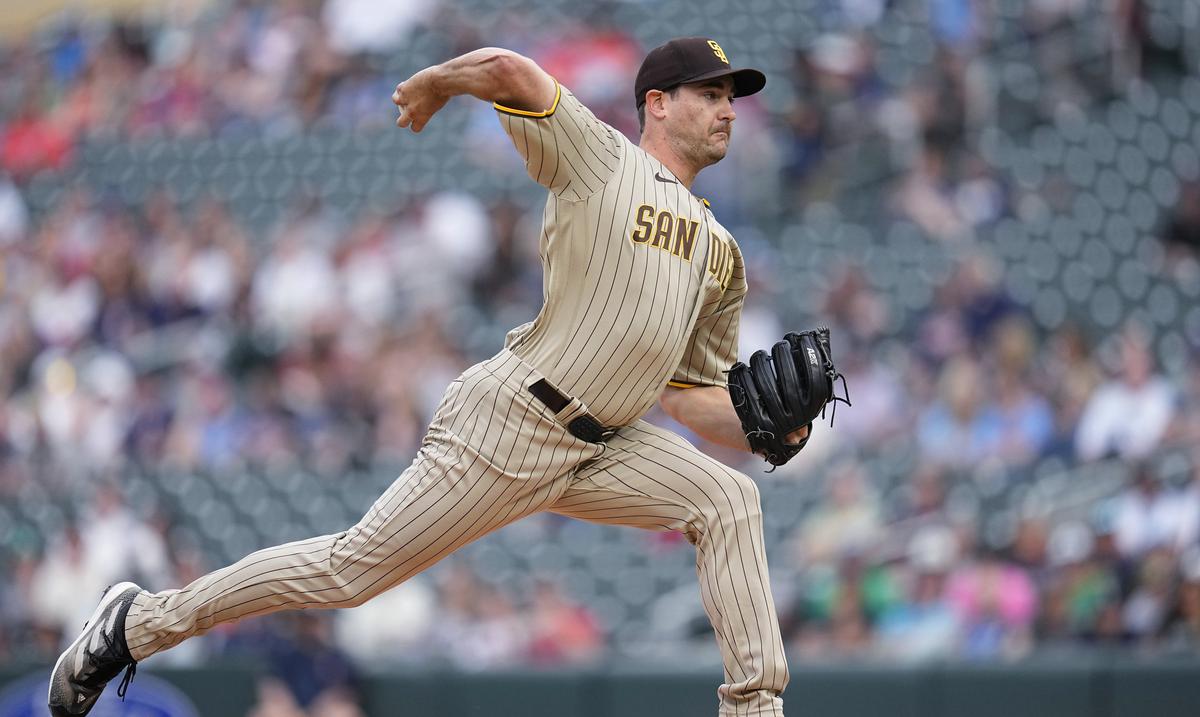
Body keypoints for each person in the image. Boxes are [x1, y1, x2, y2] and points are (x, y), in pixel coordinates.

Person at [50, 38, 808, 716]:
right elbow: (508, 68)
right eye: (711, 93)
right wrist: (437, 83)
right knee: (348, 573)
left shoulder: (723, 252)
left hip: (607, 446)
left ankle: (754, 708)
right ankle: (139, 623)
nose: (728, 110)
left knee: (729, 499)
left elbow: (689, 397)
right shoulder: (606, 160)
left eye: (731, 98)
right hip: (516, 420)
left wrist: (778, 430)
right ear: (658, 102)